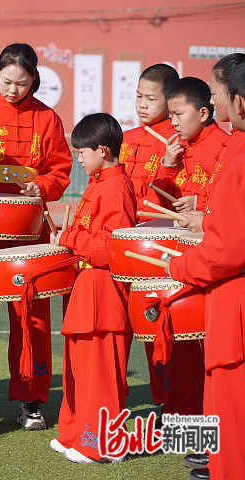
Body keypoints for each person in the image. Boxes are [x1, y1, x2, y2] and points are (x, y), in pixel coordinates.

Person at [0, 43, 72, 429]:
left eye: (22, 84)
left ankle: (31, 399)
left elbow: (59, 170)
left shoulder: (47, 120)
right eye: (7, 82)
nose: (13, 90)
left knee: (30, 315)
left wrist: (43, 185)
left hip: (28, 234)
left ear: (33, 81)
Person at [168, 62, 245, 480]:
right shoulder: (166, 145)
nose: (169, 119)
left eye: (177, 113)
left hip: (218, 281)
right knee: (195, 377)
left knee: (217, 381)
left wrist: (181, 265)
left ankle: (217, 455)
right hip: (210, 277)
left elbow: (230, 245)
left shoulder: (229, 148)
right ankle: (208, 450)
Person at [50, 113, 136, 464]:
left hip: (104, 291)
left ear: (102, 150)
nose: (79, 159)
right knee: (80, 368)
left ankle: (101, 444)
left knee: (99, 372)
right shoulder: (100, 182)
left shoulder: (116, 186)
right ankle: (74, 433)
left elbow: (111, 247)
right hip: (89, 287)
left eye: (82, 152)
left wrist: (67, 237)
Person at [178, 54, 245, 235]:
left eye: (214, 94)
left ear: (237, 99)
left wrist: (207, 222)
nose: (212, 101)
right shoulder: (234, 139)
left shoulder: (234, 145)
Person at [119, 64, 181, 222]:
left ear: (171, 100)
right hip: (122, 224)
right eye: (139, 96)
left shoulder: (176, 141)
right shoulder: (125, 138)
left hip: (157, 227)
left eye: (151, 99)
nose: (142, 105)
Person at [164, 77, 229, 213]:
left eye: (179, 114)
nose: (174, 123)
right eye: (171, 116)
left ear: (203, 114)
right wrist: (168, 164)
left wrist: (198, 202)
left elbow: (229, 196)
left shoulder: (223, 147)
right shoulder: (177, 145)